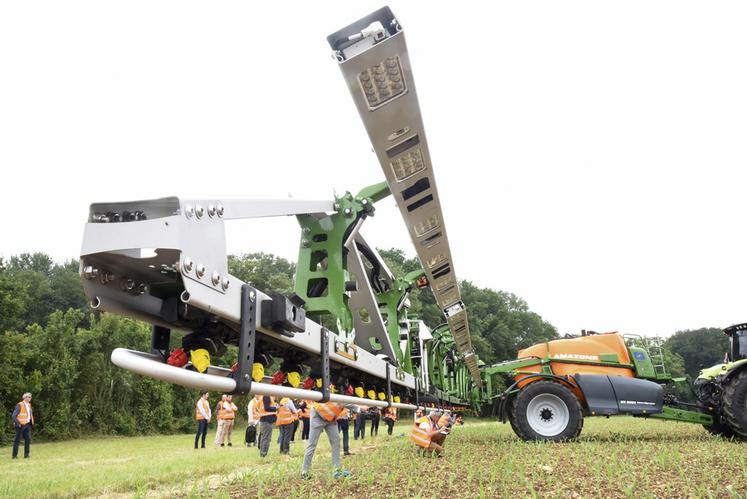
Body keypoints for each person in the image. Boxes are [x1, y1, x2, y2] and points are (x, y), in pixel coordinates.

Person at [301, 387, 355, 479]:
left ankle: (336, 470)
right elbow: (358, 406)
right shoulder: (340, 394)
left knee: (336, 441)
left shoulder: (342, 393)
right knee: (312, 444)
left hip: (330, 419)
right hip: (318, 415)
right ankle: (304, 472)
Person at [11, 392, 34, 459]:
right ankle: (14, 456)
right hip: (20, 425)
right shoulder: (20, 404)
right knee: (17, 440)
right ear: (24, 397)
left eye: (30, 397)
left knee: (28, 440)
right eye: (28, 397)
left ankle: (26, 455)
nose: (29, 398)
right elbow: (14, 416)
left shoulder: (29, 405)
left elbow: (29, 415)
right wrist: (18, 423)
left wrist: (30, 423)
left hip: (27, 424)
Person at [257, 393, 278, 457]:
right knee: (266, 438)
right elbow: (267, 408)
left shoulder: (262, 397)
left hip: (264, 419)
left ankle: (262, 453)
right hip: (267, 420)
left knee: (264, 437)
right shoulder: (266, 396)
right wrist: (276, 408)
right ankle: (263, 454)